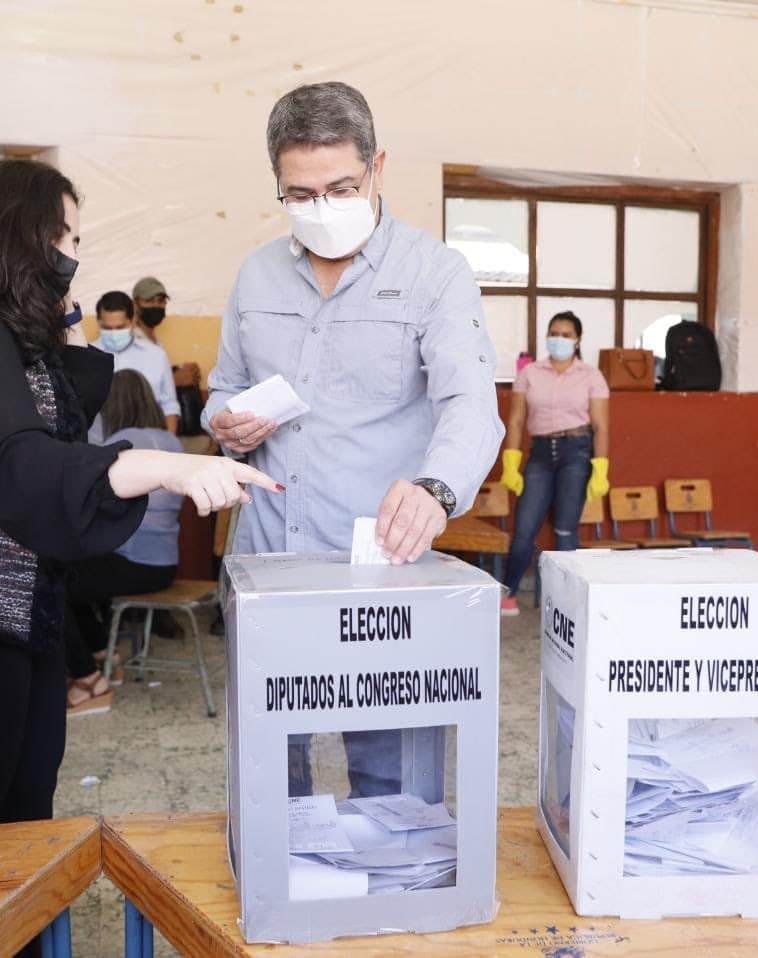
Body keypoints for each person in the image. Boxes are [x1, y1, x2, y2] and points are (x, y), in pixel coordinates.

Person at [0, 158, 277, 834]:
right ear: (19, 234)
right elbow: (21, 464)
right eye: (67, 239)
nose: (72, 259)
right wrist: (163, 468)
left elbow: (59, 426)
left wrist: (56, 330)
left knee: (23, 819)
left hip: (14, 612)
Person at [202, 81, 503, 798]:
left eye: (339, 187)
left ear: (377, 167)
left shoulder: (435, 274)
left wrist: (437, 488)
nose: (320, 208)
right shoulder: (257, 274)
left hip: (382, 574)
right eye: (299, 195)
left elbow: (471, 405)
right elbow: (223, 388)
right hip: (269, 568)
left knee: (393, 779)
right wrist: (226, 424)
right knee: (274, 780)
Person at [64, 370, 184, 713]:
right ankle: (104, 653)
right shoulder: (172, 442)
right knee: (70, 577)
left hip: (134, 562)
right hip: (165, 564)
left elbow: (92, 500)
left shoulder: (123, 444)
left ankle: (88, 679)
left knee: (52, 586)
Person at [498, 311, 610, 615]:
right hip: (541, 453)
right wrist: (511, 461)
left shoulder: (591, 375)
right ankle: (507, 593)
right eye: (554, 333)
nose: (559, 339)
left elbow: (600, 426)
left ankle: (566, 602)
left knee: (565, 530)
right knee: (524, 527)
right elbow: (517, 419)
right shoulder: (529, 373)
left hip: (577, 451)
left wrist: (600, 468)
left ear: (577, 340)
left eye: (566, 334)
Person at [90, 290, 179, 435]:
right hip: (99, 446)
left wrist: (166, 443)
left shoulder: (156, 356)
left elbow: (170, 406)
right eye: (107, 328)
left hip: (146, 446)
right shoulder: (88, 356)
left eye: (120, 327)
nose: (113, 333)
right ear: (99, 322)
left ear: (133, 321)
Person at [132, 275, 201, 391]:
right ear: (135, 304)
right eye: (149, 301)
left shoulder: (154, 340)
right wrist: (174, 380)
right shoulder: (129, 340)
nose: (156, 306)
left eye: (161, 301)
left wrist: (179, 369)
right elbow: (131, 384)